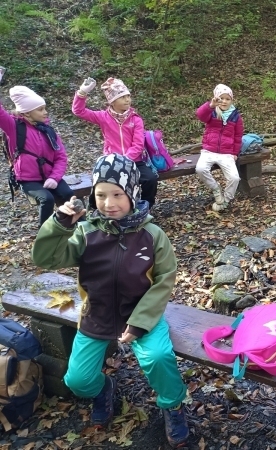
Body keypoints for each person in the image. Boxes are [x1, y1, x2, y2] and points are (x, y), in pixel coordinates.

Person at [31, 154, 188, 448]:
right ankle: (103, 389)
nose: (108, 203)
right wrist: (60, 224)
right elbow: (45, 258)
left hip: (142, 314)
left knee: (158, 357)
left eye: (117, 194)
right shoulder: (86, 232)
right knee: (77, 380)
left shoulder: (152, 235)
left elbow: (164, 280)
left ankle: (173, 404)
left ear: (132, 193)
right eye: (101, 195)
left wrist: (140, 323)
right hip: (97, 314)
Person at [72, 77, 158, 208]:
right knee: (102, 182)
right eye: (122, 97)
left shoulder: (135, 119)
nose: (127, 100)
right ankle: (96, 209)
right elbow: (79, 111)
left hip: (134, 161)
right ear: (112, 101)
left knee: (150, 179)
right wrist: (82, 93)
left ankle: (146, 207)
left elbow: (138, 145)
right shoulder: (103, 117)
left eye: (128, 96)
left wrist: (124, 160)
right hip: (111, 161)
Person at [0, 85, 74, 227]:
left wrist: (54, 177)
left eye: (45, 108)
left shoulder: (48, 131)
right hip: (28, 180)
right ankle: (44, 234)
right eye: (40, 109)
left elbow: (61, 157)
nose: (45, 112)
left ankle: (77, 227)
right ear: (27, 113)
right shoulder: (14, 127)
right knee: (47, 199)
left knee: (68, 195)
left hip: (50, 176)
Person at [195, 83, 244, 212]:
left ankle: (226, 200)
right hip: (209, 151)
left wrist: (235, 153)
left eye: (227, 99)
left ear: (231, 100)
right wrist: (211, 105)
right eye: (221, 98)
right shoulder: (211, 112)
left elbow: (238, 136)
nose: (224, 101)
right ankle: (216, 189)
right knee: (200, 169)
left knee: (234, 178)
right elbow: (200, 115)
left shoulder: (236, 116)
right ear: (216, 98)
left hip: (226, 153)